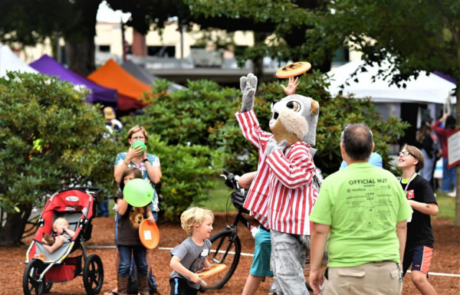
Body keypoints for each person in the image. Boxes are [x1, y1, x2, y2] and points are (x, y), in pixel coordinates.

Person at [309, 124, 413, 295]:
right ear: (372, 148)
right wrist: (398, 262)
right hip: (388, 272)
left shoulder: (333, 182)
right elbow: (401, 225)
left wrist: (314, 269)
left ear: (342, 149)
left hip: (345, 272)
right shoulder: (391, 180)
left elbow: (319, 230)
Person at [105, 125, 162, 295]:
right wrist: (129, 157)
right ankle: (120, 286)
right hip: (125, 208)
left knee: (145, 249)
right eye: (134, 138)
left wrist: (144, 159)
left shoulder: (153, 158)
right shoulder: (122, 157)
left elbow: (156, 179)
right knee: (120, 247)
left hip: (147, 208)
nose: (138, 141)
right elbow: (117, 178)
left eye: (141, 138)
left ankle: (143, 286)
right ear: (129, 141)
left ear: (145, 140)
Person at [397, 145, 438, 295]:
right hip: (400, 240)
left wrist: (410, 202)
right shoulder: (395, 183)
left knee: (418, 278)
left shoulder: (421, 183)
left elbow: (434, 210)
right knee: (392, 278)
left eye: (405, 154)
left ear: (415, 160)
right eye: (400, 153)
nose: (400, 156)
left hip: (420, 240)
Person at [115, 167, 156, 295]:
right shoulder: (121, 194)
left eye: (130, 179)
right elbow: (121, 211)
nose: (127, 181)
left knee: (142, 264)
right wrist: (128, 194)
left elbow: (148, 211)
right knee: (124, 265)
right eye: (125, 179)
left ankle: (144, 290)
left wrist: (150, 216)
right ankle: (122, 291)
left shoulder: (143, 194)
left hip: (140, 236)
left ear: (138, 181)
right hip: (125, 236)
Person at [238, 172, 275, 295]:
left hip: (275, 231)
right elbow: (243, 181)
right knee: (257, 271)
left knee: (257, 272)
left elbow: (243, 182)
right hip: (268, 230)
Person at [169, 207, 213, 295]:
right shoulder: (186, 246)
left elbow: (203, 258)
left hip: (194, 283)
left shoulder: (207, 244)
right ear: (196, 226)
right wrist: (191, 275)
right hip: (180, 279)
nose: (211, 228)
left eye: (211, 224)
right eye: (208, 225)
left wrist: (209, 267)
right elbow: (173, 263)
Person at [432, 113, 456, 196]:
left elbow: (434, 127)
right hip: (455, 154)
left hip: (446, 155)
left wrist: (442, 118)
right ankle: (456, 189)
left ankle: (446, 189)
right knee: (454, 173)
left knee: (446, 173)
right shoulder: (455, 131)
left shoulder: (444, 132)